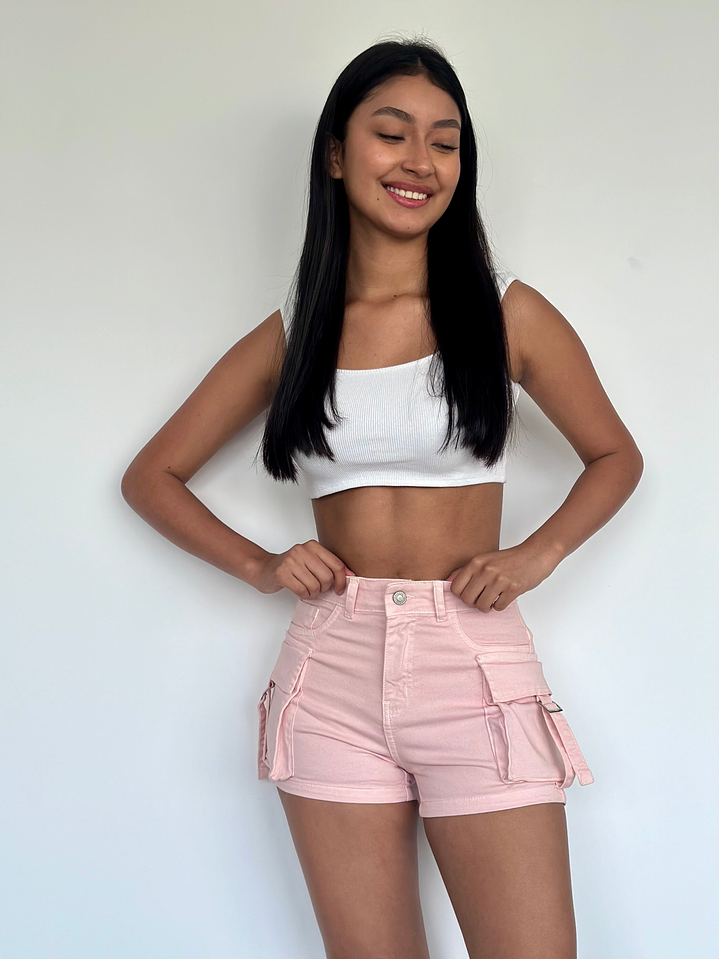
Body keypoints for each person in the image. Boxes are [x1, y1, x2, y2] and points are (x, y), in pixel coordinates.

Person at [122, 37, 643, 959]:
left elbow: (613, 455)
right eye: (391, 133)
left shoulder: (505, 313)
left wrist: (536, 554)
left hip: (471, 664)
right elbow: (151, 476)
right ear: (335, 152)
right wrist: (260, 564)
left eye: (444, 141)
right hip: (330, 667)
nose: (419, 161)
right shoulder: (297, 333)